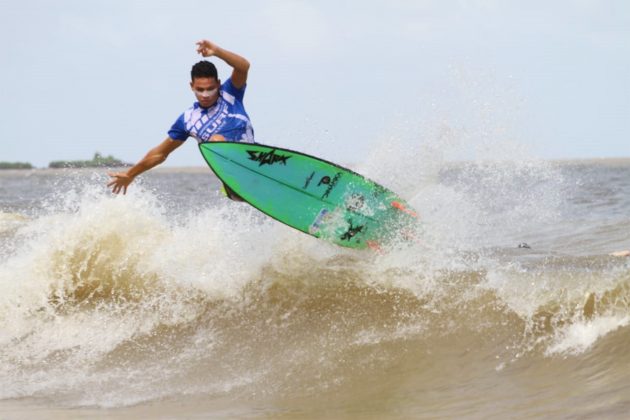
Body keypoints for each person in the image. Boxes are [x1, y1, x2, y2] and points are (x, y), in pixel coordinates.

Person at [107, 39, 254, 198]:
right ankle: (234, 185)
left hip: (254, 160)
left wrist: (217, 51)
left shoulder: (230, 93)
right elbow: (159, 154)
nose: (205, 95)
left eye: (210, 89)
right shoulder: (187, 120)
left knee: (219, 140)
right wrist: (131, 174)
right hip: (235, 182)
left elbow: (243, 66)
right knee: (216, 140)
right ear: (191, 86)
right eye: (200, 89)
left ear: (218, 84)